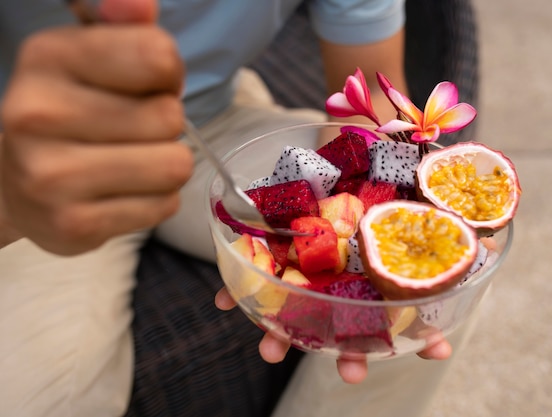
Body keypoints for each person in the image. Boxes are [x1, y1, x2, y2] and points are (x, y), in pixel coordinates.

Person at [0, 0, 456, 416]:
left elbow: (370, 90)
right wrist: (12, 201)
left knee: (424, 281)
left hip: (216, 123)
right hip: (31, 153)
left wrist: (367, 207)